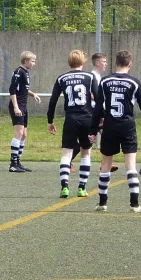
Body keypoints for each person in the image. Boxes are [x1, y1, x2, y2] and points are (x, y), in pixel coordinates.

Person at [90, 50, 141, 213]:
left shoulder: (104, 81)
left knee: (106, 165)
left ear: (115, 63)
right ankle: (134, 204)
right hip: (127, 125)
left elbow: (97, 108)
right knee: (130, 165)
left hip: (110, 125)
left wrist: (93, 129)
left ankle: (102, 203)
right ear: (130, 64)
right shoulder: (134, 83)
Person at [47, 50, 98, 198]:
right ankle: (82, 187)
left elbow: (53, 101)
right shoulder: (90, 76)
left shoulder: (62, 78)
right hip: (87, 119)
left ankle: (64, 186)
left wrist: (50, 120)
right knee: (86, 153)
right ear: (83, 62)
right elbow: (99, 99)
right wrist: (100, 118)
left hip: (70, 120)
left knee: (66, 153)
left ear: (69, 62)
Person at [69, 53, 118, 173]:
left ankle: (104, 162)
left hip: (97, 112)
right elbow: (92, 95)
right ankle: (68, 160)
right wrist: (100, 113)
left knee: (102, 135)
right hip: (92, 113)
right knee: (96, 138)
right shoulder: (92, 76)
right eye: (104, 61)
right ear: (97, 63)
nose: (106, 64)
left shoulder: (98, 76)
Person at [8, 51, 41, 172]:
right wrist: (16, 107)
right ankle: (13, 164)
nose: (34, 63)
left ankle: (18, 161)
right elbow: (12, 90)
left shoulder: (25, 73)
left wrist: (33, 94)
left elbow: (23, 89)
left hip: (23, 106)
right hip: (18, 106)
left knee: (24, 134)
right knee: (19, 133)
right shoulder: (18, 72)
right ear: (26, 61)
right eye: (32, 61)